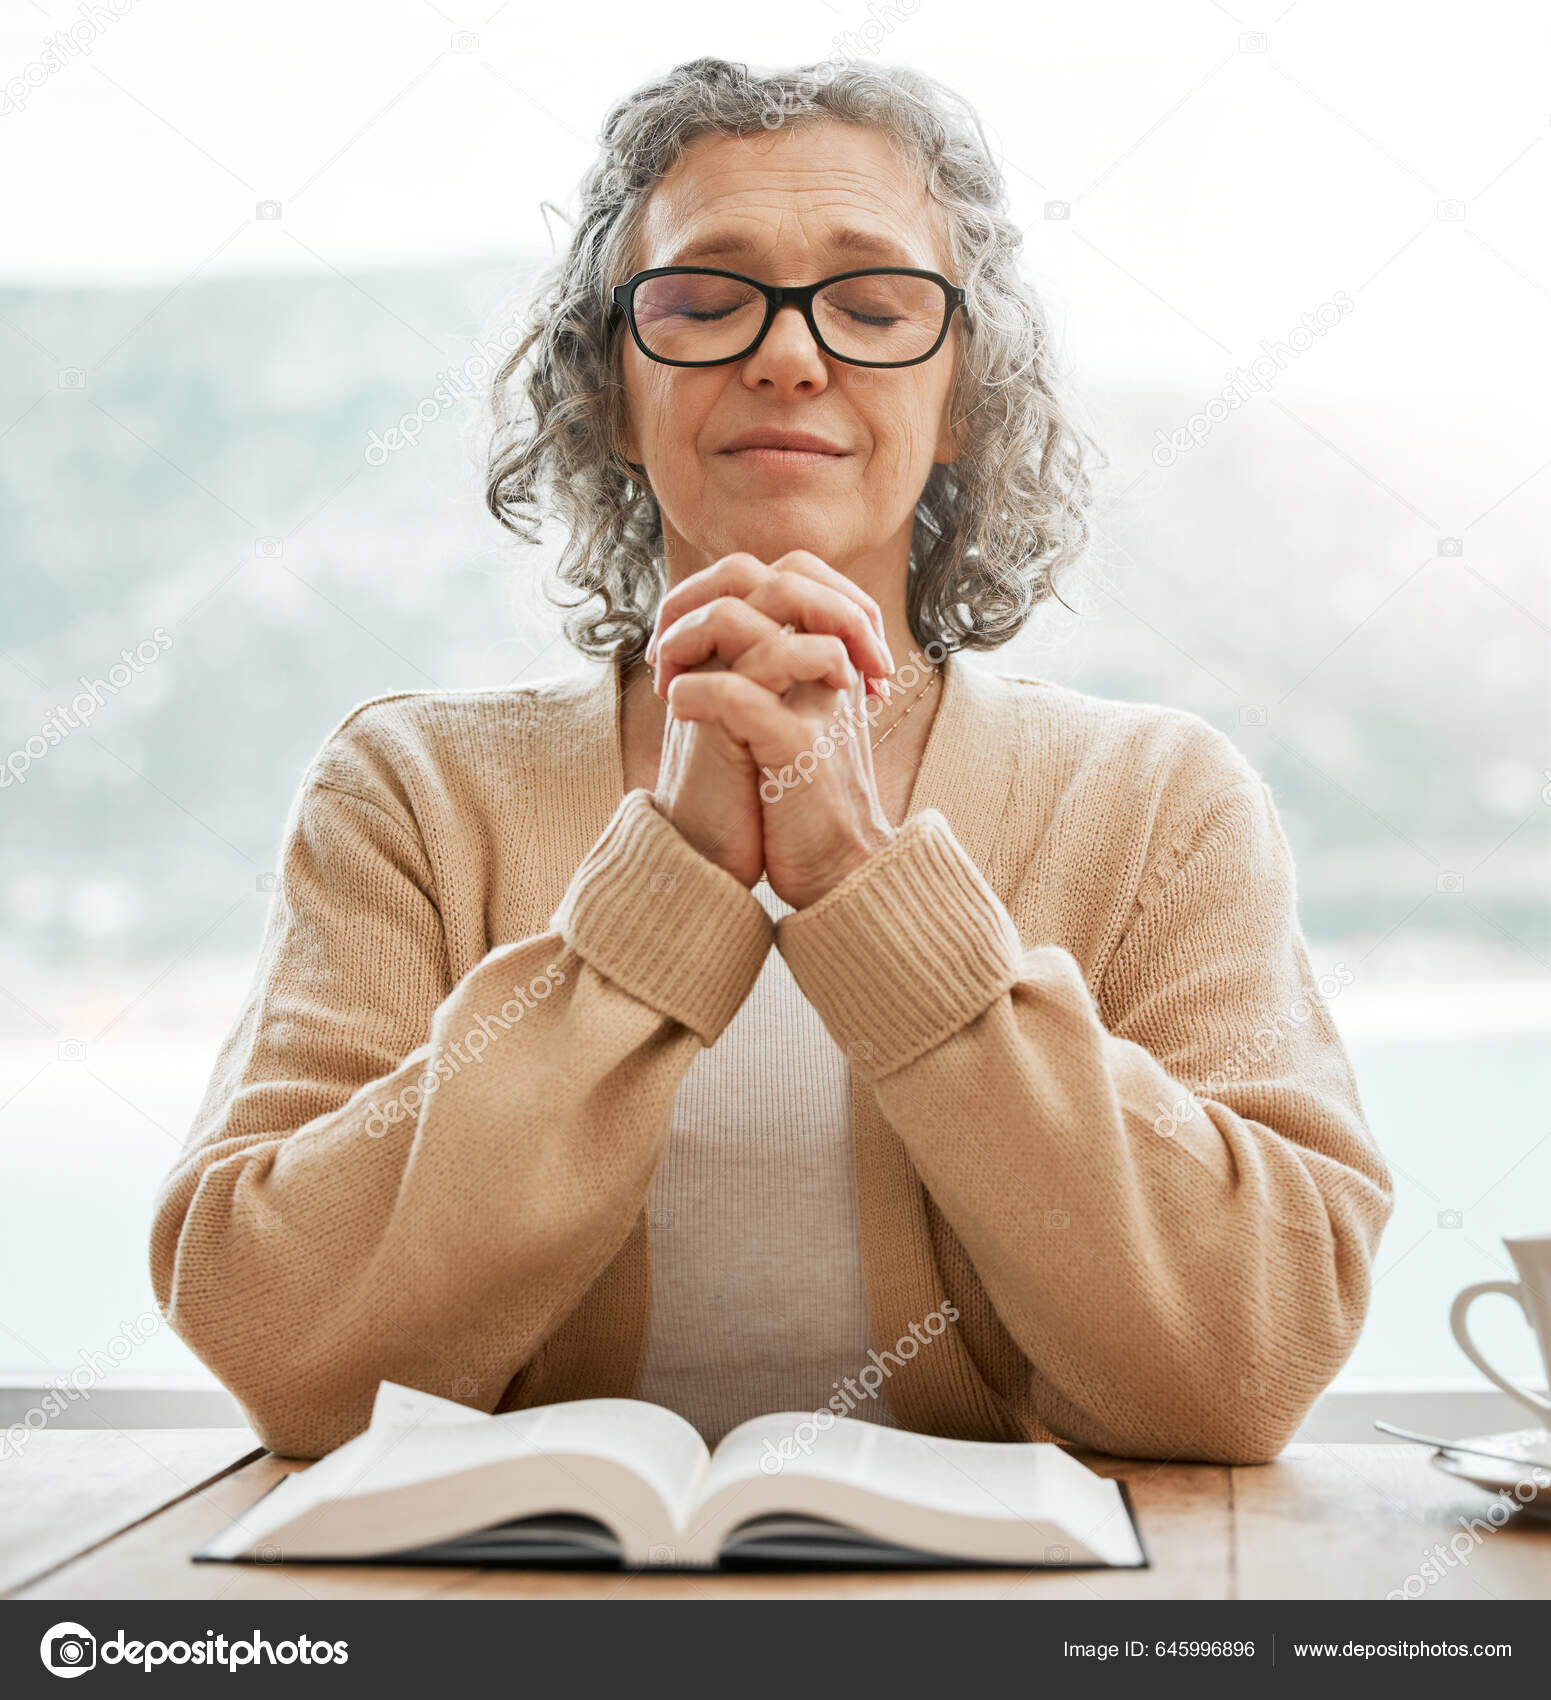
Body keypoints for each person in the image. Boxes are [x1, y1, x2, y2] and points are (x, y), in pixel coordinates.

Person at [151, 57, 1392, 1462]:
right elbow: (285, 1347)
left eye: (873, 307)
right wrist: (662, 892)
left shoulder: (1161, 800)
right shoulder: (414, 793)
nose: (790, 355)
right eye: (700, 301)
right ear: (612, 392)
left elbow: (1243, 1364)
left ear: (965, 395)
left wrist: (873, 893)